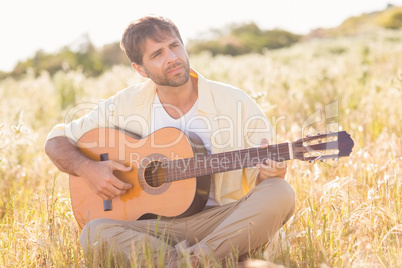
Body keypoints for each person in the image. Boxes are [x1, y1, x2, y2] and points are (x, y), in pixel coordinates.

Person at [45, 15, 295, 266]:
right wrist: (87, 168)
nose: (172, 58)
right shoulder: (125, 104)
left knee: (280, 192)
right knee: (93, 232)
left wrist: (271, 173)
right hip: (153, 230)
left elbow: (259, 184)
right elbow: (56, 140)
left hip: (220, 221)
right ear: (140, 69)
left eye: (175, 46)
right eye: (157, 54)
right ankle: (207, 260)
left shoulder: (236, 103)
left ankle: (190, 261)